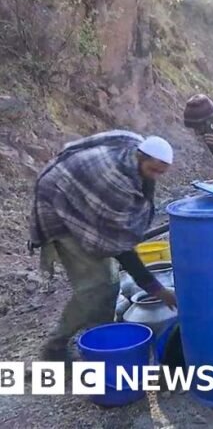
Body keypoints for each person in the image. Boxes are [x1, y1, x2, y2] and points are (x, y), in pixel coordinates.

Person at [28, 131, 178, 363]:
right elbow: (121, 247)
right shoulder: (115, 184)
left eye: (162, 172)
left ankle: (103, 337)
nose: (157, 177)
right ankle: (55, 349)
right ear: (140, 156)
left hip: (78, 190)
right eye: (154, 170)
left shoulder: (134, 148)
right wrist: (156, 289)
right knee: (97, 286)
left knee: (108, 281)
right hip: (60, 206)